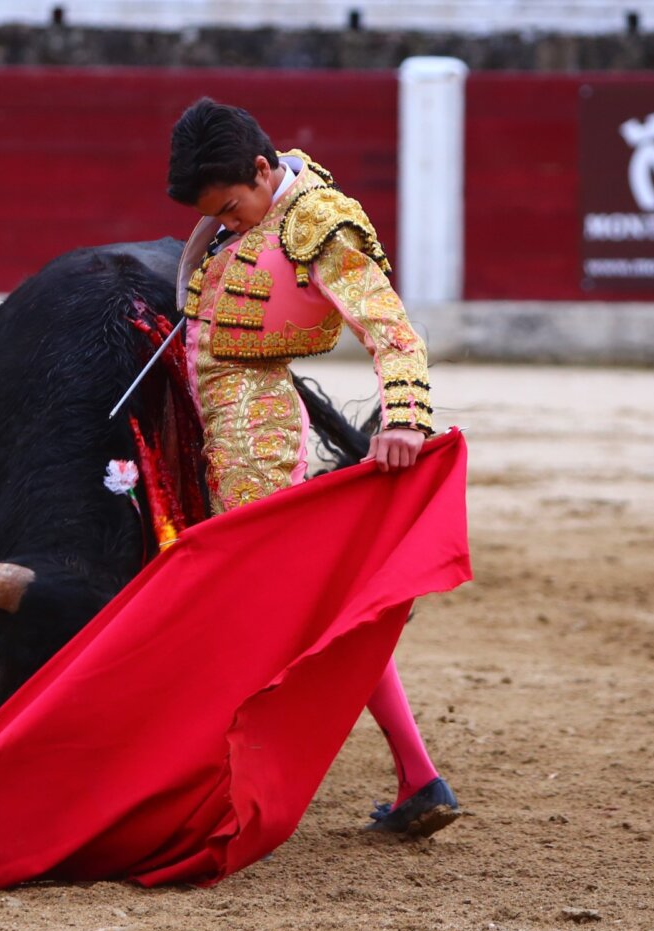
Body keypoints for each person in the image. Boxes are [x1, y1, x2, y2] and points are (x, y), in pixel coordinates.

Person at [167, 97, 460, 837]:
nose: (229, 223)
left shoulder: (318, 223)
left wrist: (402, 418)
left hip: (256, 432)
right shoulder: (262, 206)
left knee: (267, 610)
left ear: (264, 169)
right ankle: (419, 776)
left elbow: (395, 333)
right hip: (225, 418)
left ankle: (230, 781)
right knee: (314, 610)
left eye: (233, 207)